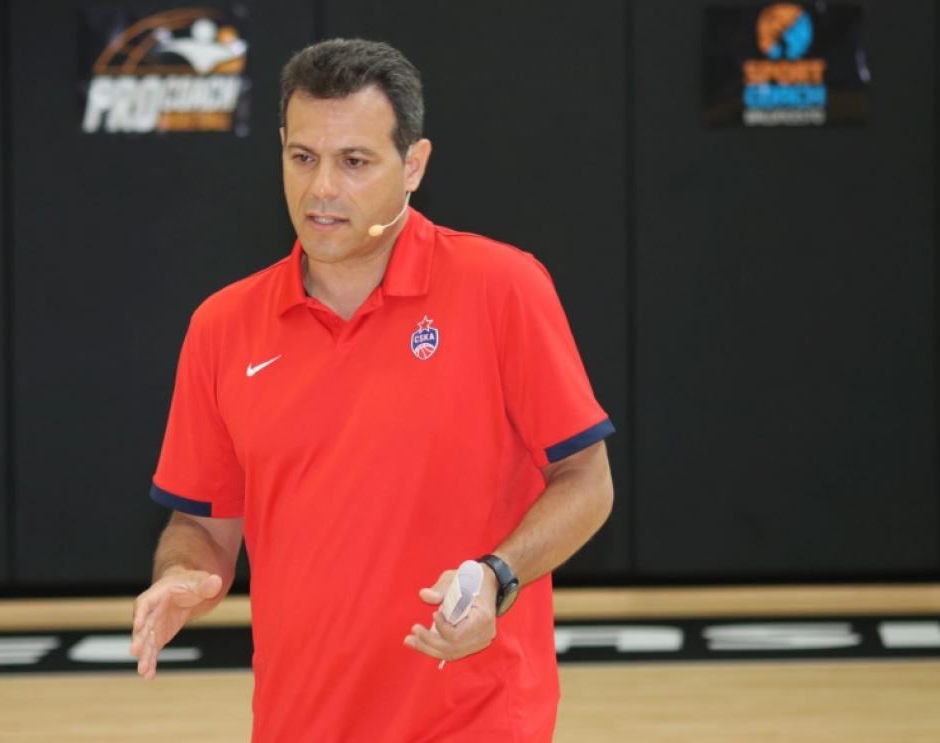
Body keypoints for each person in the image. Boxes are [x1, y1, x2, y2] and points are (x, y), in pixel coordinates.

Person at [130, 38, 615, 742]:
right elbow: (203, 525)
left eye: (354, 161)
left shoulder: (502, 287)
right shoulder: (222, 326)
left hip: (473, 717)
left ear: (413, 164)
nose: (322, 188)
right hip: (298, 721)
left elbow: (587, 481)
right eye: (303, 157)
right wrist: (181, 573)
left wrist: (498, 575)